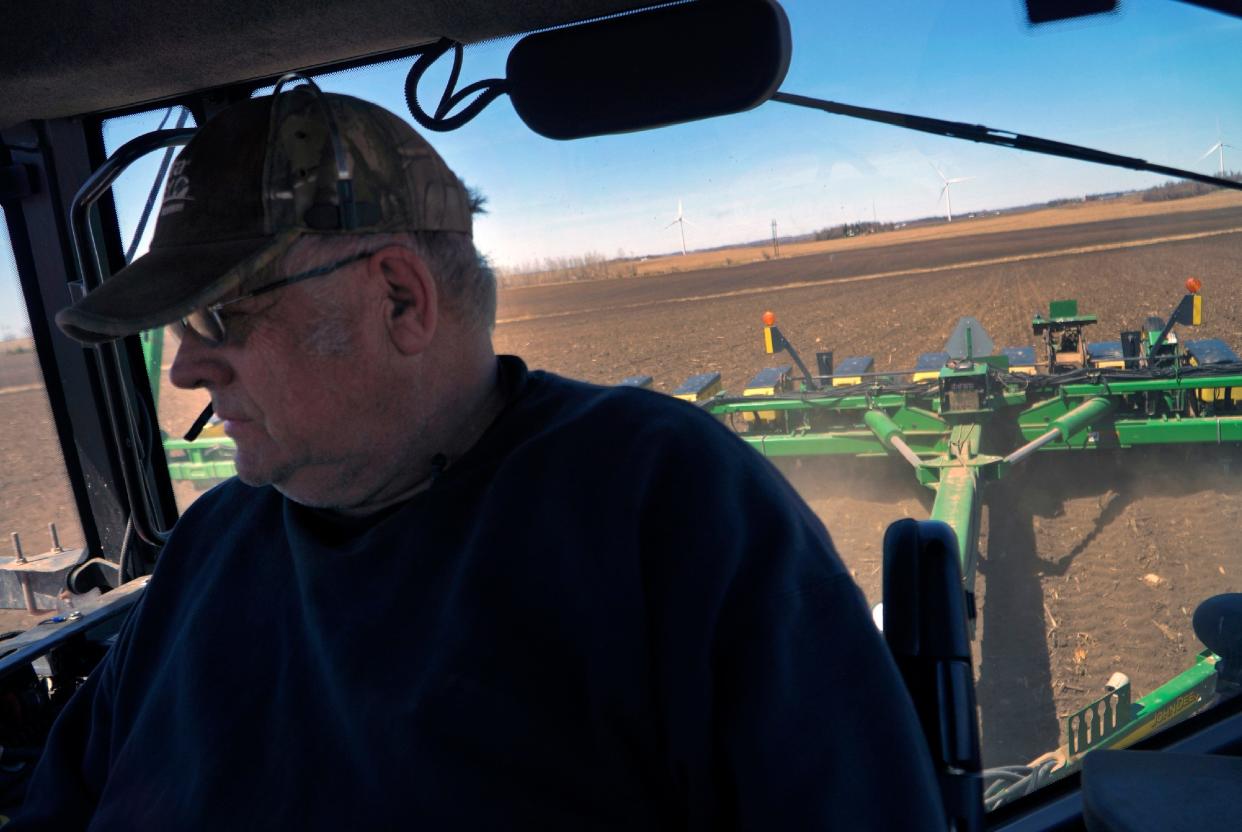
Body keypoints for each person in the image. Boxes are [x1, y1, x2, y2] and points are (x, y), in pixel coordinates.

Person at [14, 86, 944, 830]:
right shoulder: (209, 549)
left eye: (220, 317)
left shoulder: (668, 510)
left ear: (400, 300)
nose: (184, 366)